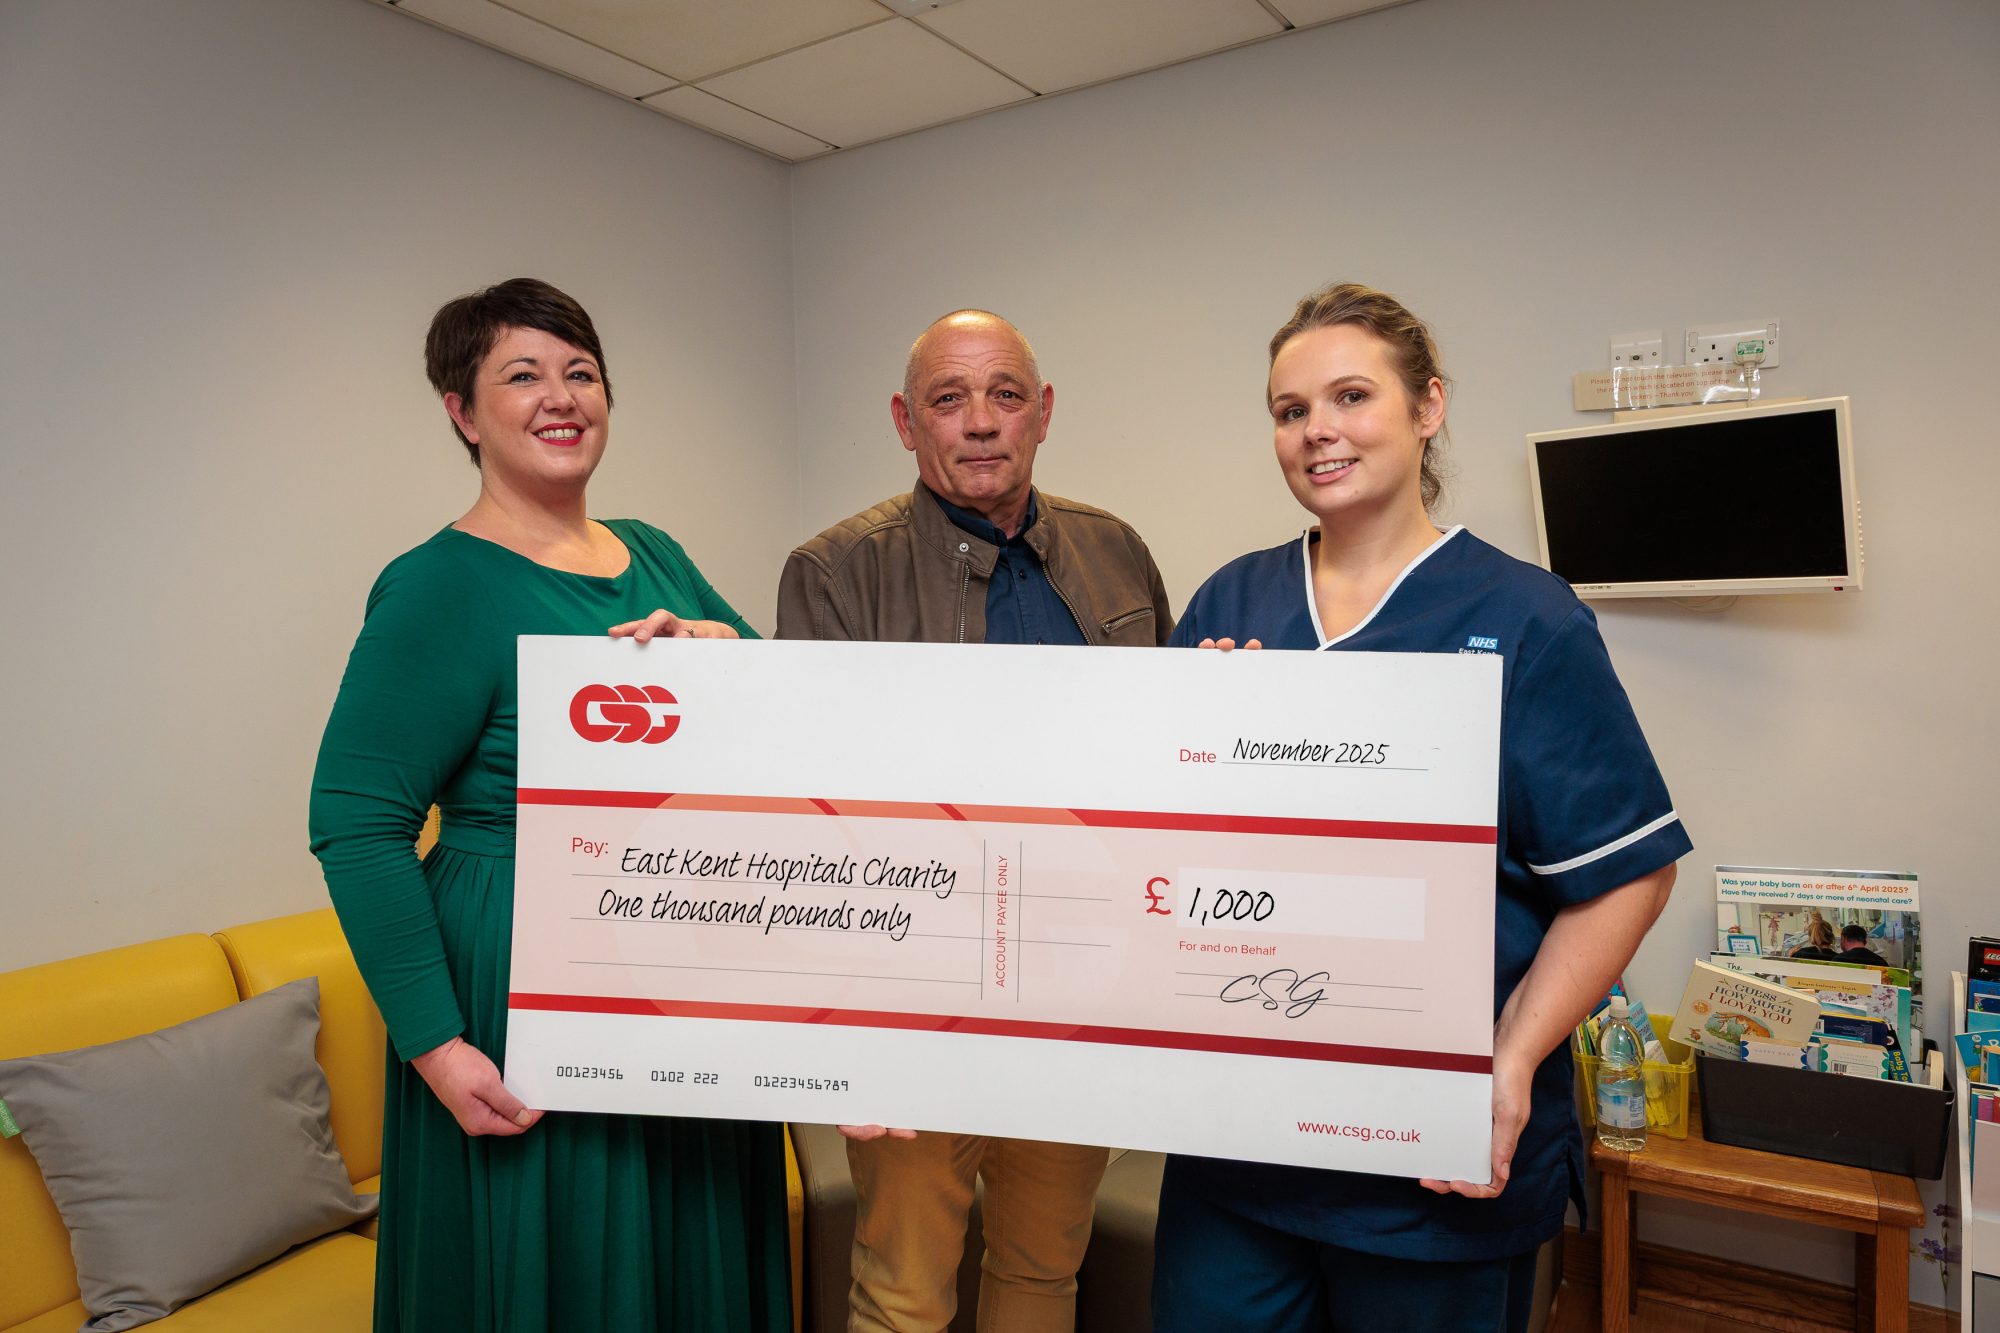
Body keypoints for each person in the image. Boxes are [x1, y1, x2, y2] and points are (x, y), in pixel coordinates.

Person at [1151, 283, 1689, 1333]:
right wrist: (1190, 748)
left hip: (1427, 1168)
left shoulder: (1526, 618)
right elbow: (1158, 859)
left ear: (1427, 406)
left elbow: (1629, 872)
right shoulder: (1230, 603)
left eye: (1350, 396)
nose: (1318, 430)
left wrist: (1510, 1057)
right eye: (1290, 410)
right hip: (1238, 1147)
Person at [309, 279, 789, 1332]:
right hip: (522, 981)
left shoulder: (654, 552)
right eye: (521, 375)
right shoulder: (439, 585)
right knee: (567, 1263)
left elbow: (782, 718)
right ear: (462, 412)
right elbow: (355, 821)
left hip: (684, 945)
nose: (561, 396)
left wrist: (717, 647)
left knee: (689, 1246)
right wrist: (435, 1045)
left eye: (581, 372)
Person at [776, 309, 1173, 1332]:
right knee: (902, 1292)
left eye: (1005, 394)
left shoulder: (1115, 550)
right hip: (915, 1000)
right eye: (949, 399)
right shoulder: (835, 570)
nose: (981, 421)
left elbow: (1169, 768)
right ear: (906, 422)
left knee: (1043, 1269)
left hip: (1081, 990)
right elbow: (812, 821)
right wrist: (847, 1030)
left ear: (1043, 411)